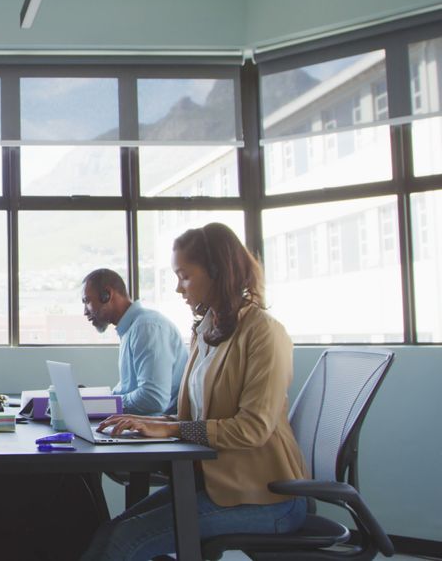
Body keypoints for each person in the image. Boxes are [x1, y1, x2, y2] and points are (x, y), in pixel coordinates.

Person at [81, 223, 308, 561]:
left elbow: (252, 428)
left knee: (124, 542)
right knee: (110, 531)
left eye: (184, 276)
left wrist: (172, 428)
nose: (178, 288)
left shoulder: (264, 333)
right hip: (215, 485)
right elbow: (197, 416)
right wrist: (149, 423)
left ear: (218, 271)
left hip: (266, 496)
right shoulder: (207, 330)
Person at [81, 268, 187, 415]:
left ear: (107, 295)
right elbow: (128, 390)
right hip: (142, 421)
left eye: (87, 301)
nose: (85, 312)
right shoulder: (130, 329)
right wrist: (95, 402)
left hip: (159, 423)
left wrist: (107, 405)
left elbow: (153, 399)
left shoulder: (146, 327)